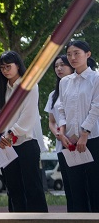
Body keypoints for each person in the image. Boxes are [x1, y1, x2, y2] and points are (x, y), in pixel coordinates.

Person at [0, 51, 48, 213]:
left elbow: (28, 116)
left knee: (33, 186)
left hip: (26, 143)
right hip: (6, 146)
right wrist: (1, 137)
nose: (5, 70)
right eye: (2, 67)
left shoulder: (30, 85)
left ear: (18, 65)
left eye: (8, 66)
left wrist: (11, 134)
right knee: (13, 188)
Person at [55, 40, 99, 212]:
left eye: (77, 53)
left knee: (95, 187)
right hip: (70, 141)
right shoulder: (65, 81)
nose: (72, 57)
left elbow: (96, 107)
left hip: (93, 139)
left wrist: (84, 133)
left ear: (88, 55)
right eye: (69, 54)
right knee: (75, 187)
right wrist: (63, 131)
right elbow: (61, 108)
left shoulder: (95, 79)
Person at [45, 55, 75, 210]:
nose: (59, 69)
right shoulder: (53, 95)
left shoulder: (81, 89)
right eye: (56, 66)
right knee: (69, 185)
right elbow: (51, 121)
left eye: (63, 65)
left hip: (82, 141)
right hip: (62, 144)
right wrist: (58, 134)